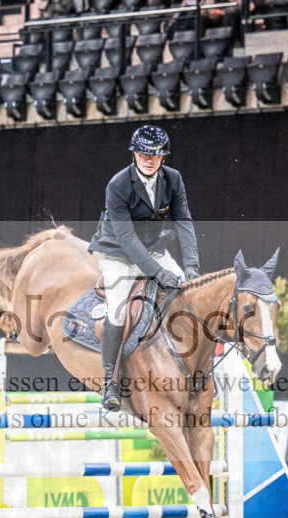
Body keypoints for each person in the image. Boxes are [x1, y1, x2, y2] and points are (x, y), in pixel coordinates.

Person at [88, 124, 200, 411]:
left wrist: (191, 266)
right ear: (134, 154)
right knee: (117, 310)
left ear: (163, 157)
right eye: (142, 154)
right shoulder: (118, 184)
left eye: (154, 155)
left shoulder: (174, 180)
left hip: (152, 248)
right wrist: (154, 270)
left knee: (188, 294)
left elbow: (184, 222)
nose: (147, 159)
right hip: (117, 253)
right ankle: (110, 382)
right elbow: (126, 238)